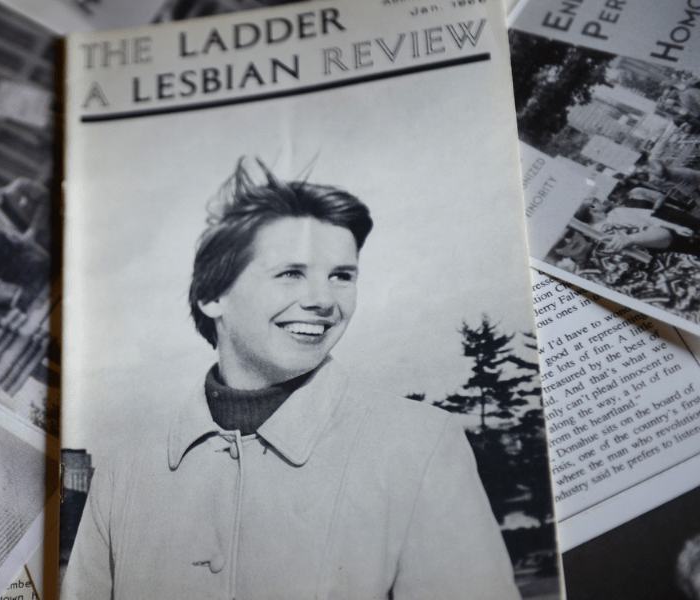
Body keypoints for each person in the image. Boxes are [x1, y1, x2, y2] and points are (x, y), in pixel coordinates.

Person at [61, 159, 519, 600]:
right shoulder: (125, 469)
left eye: (341, 275)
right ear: (213, 296)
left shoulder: (421, 445)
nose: (323, 300)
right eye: (290, 273)